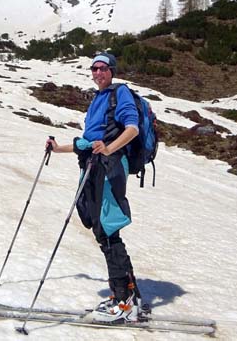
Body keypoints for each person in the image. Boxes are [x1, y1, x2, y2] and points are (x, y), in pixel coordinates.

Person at [47, 52, 142, 322]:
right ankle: (128, 293)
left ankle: (124, 302)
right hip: (94, 166)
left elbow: (132, 128)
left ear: (112, 70)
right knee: (102, 229)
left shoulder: (119, 93)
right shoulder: (98, 99)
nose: (98, 72)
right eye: (94, 68)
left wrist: (109, 148)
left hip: (110, 169)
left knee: (108, 228)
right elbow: (89, 141)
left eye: (103, 68)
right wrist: (59, 149)